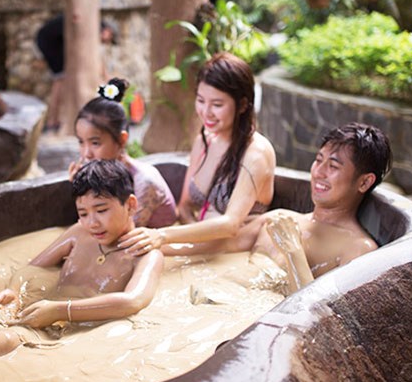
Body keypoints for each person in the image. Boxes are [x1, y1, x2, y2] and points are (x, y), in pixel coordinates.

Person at [0, 159, 164, 374]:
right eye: (83, 213)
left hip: (75, 332)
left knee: (1, 341)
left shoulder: (146, 255)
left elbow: (133, 301)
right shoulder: (79, 233)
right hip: (44, 312)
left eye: (101, 210)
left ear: (131, 205)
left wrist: (61, 310)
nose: (92, 222)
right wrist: (14, 290)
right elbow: (32, 267)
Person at [163, 122, 393, 295]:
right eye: (318, 160)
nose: (319, 172)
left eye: (333, 166)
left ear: (364, 182)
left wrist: (293, 251)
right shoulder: (280, 219)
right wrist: (156, 244)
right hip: (216, 296)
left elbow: (321, 319)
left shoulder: (358, 249)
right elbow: (211, 246)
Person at [118, 52, 276, 254]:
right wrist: (190, 244)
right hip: (201, 247)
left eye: (217, 105)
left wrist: (162, 236)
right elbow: (184, 206)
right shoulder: (204, 141)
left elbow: (230, 225)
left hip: (236, 253)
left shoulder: (257, 153)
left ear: (243, 105)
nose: (206, 111)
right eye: (201, 100)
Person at [69, 78, 177, 228]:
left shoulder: (144, 181)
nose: (86, 153)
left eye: (95, 143)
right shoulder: (100, 176)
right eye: (81, 142)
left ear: (121, 139)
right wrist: (80, 188)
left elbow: (123, 236)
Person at [35, 14, 117, 132]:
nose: (106, 42)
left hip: (51, 40)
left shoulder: (93, 23)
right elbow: (96, 56)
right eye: (109, 39)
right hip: (50, 42)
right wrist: (106, 77)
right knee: (60, 80)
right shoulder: (95, 27)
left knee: (61, 79)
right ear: (108, 31)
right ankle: (52, 121)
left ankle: (54, 120)